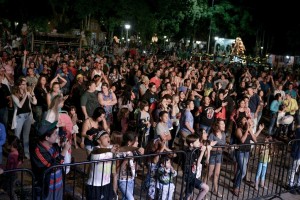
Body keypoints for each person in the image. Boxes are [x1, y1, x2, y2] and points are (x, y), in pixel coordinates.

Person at [31, 120, 71, 200]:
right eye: (54, 134)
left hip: (58, 186)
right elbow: (53, 167)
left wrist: (62, 147)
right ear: (46, 137)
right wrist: (64, 151)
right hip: (47, 189)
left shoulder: (53, 145)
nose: (57, 136)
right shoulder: (38, 151)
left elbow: (58, 159)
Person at [85, 130, 119, 200]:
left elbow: (123, 148)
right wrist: (110, 150)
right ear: (99, 141)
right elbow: (97, 151)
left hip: (107, 184)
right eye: (105, 137)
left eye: (108, 136)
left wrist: (137, 149)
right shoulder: (96, 150)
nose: (108, 138)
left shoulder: (110, 149)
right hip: (95, 185)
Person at [11, 78, 37, 159]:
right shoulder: (14, 95)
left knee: (26, 136)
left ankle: (26, 153)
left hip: (28, 115)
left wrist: (32, 94)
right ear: (19, 85)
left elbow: (35, 102)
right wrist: (26, 95)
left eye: (26, 84)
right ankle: (17, 154)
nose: (25, 85)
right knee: (17, 136)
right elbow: (20, 105)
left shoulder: (27, 93)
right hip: (19, 117)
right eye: (23, 84)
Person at [116, 132, 144, 200]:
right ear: (129, 142)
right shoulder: (120, 153)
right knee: (130, 199)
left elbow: (136, 166)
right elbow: (117, 171)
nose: (138, 143)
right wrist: (125, 161)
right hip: (122, 180)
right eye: (136, 141)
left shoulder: (134, 152)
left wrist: (140, 156)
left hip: (131, 179)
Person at [183, 134, 210, 200]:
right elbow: (197, 164)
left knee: (188, 193)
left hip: (192, 175)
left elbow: (201, 162)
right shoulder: (188, 153)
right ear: (191, 144)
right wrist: (202, 152)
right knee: (206, 188)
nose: (199, 143)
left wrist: (205, 151)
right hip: (189, 176)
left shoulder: (194, 150)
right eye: (197, 142)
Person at [206, 119, 226, 198]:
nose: (224, 125)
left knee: (217, 174)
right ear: (217, 125)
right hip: (213, 156)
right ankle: (204, 189)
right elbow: (209, 148)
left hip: (219, 156)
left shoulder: (223, 134)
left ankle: (215, 190)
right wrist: (218, 149)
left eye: (224, 124)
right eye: (222, 124)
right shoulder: (212, 135)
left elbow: (223, 145)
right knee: (209, 174)